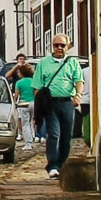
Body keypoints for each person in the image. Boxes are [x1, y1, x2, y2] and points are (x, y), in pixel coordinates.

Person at [33, 35, 84, 173]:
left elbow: (79, 81)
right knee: (54, 134)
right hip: (50, 104)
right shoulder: (44, 63)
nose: (59, 48)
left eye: (62, 45)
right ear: (52, 46)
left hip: (67, 102)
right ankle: (53, 165)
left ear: (68, 47)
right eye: (56, 45)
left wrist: (78, 95)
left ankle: (62, 163)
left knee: (67, 136)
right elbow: (37, 86)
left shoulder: (72, 62)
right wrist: (38, 108)